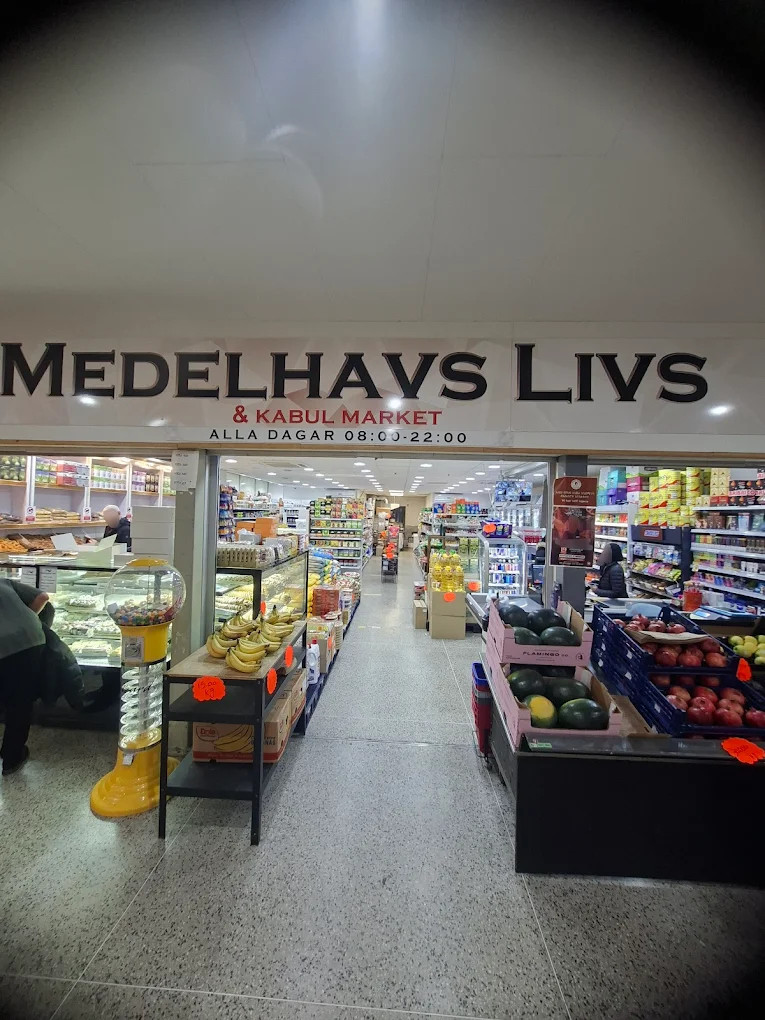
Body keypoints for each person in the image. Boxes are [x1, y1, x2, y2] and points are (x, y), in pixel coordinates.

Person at [0, 578, 49, 775]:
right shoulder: (3, 581)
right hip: (28, 639)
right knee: (19, 701)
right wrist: (23, 621)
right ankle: (11, 758)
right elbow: (42, 596)